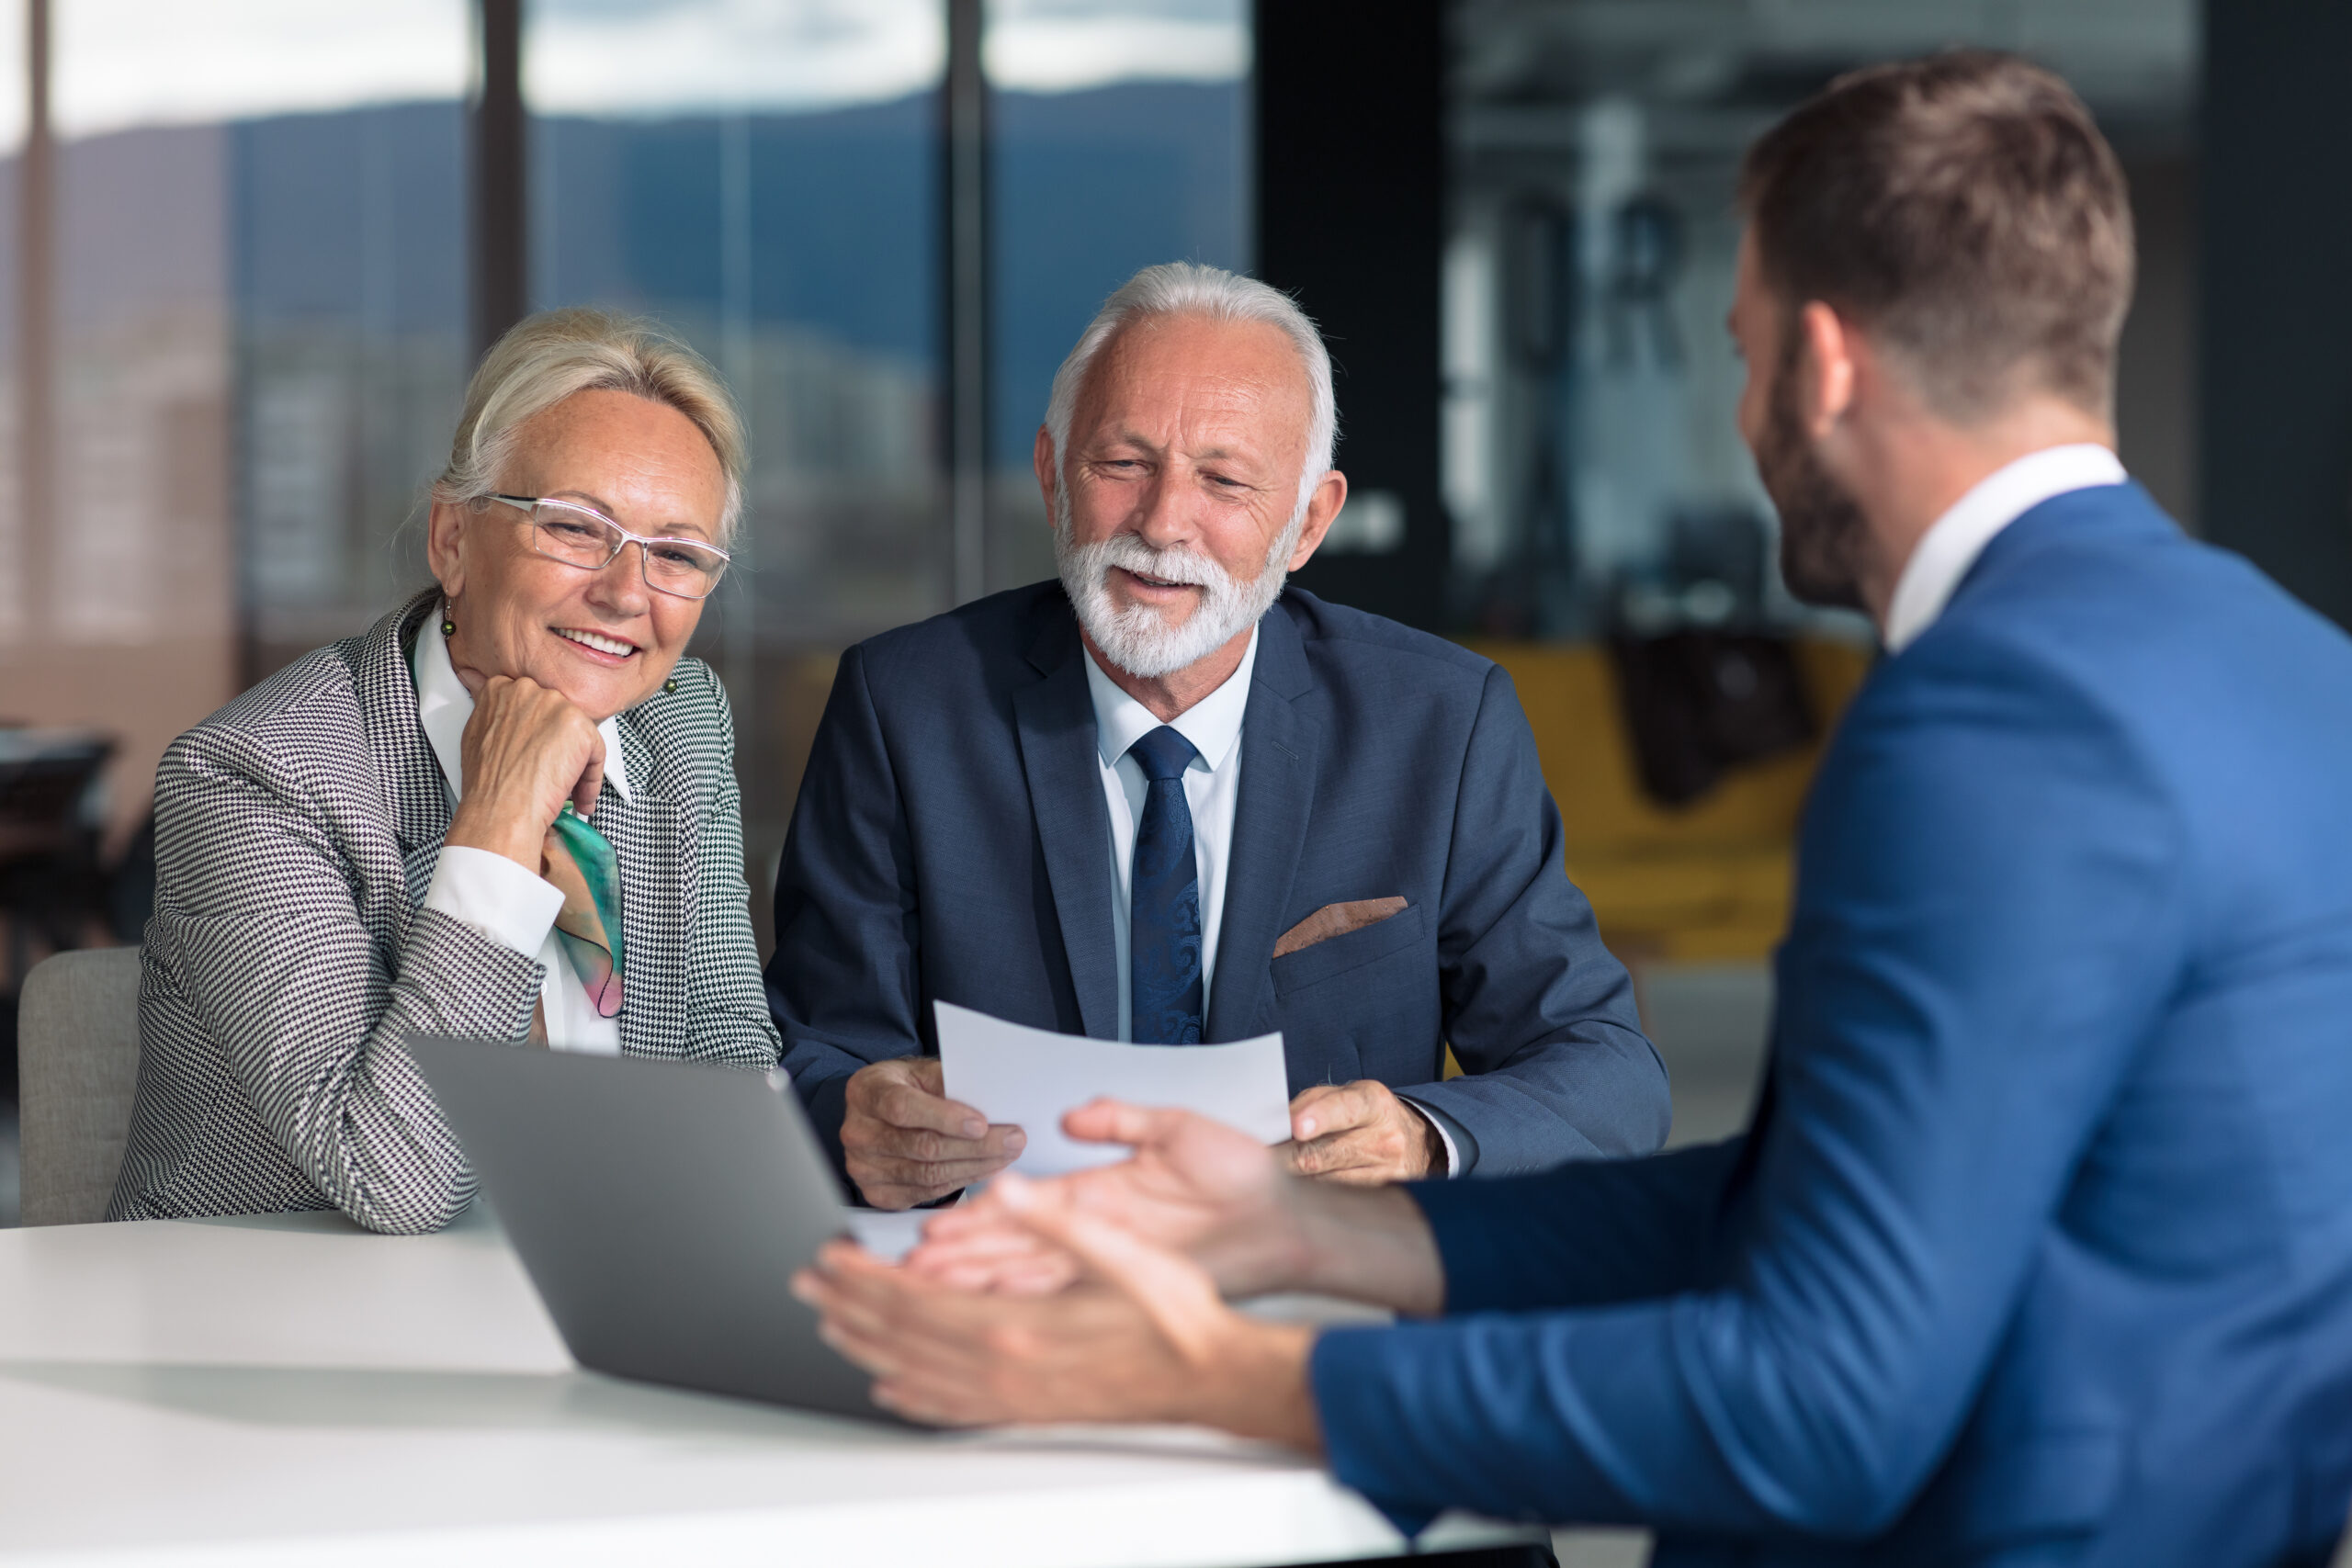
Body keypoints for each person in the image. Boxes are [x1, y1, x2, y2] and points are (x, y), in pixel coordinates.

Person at [796, 53, 2352, 1564]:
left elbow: (1823, 1398)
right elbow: (1814, 1203)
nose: (1743, 420)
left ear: (1818, 366)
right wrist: (1310, 1238)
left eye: (1738, 356)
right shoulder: (2293, 668)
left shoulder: (1985, 717)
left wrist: (1223, 1378)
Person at [766, 262, 1668, 1211]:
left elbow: (1609, 1077)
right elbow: (818, 1047)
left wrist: (1421, 1138)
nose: (1163, 524)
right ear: (1050, 475)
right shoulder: (905, 704)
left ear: (1308, 520)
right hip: (1006, 1278)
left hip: (1314, 1293)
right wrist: (852, 1120)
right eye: (1123, 465)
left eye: (1224, 480)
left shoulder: (1439, 722)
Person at [109, 308, 781, 1235]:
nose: (628, 593)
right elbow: (399, 1180)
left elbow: (726, 1045)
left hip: (584, 1294)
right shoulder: (257, 776)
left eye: (675, 553)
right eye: (578, 529)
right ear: (454, 541)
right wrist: (500, 825)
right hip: (268, 1326)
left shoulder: (679, 723)